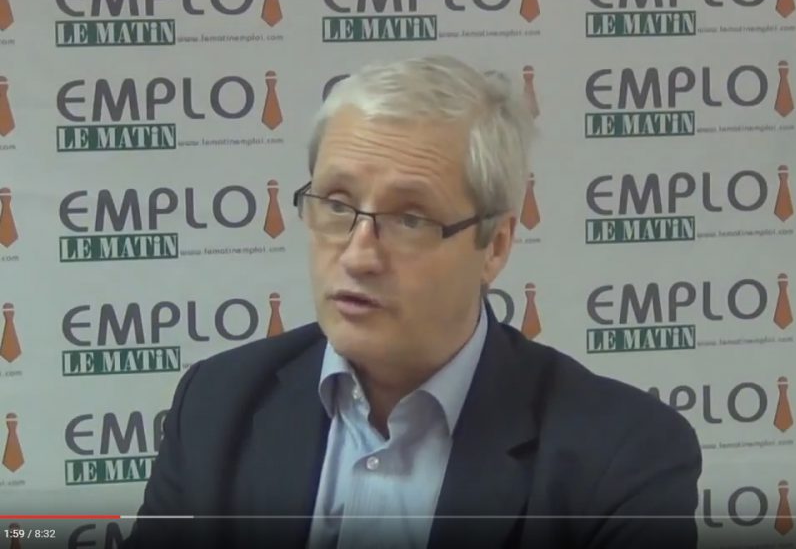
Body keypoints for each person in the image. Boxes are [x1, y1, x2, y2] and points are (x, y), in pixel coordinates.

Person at [123, 56, 702, 549]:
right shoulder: (217, 406)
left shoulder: (621, 457)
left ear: (495, 246)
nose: (359, 256)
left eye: (409, 218)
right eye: (337, 205)